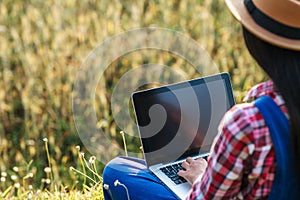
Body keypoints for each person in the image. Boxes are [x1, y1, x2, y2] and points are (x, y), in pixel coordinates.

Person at [102, 0, 300, 199]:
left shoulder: (247, 122)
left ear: (257, 43)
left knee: (117, 171)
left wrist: (201, 177)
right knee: (133, 166)